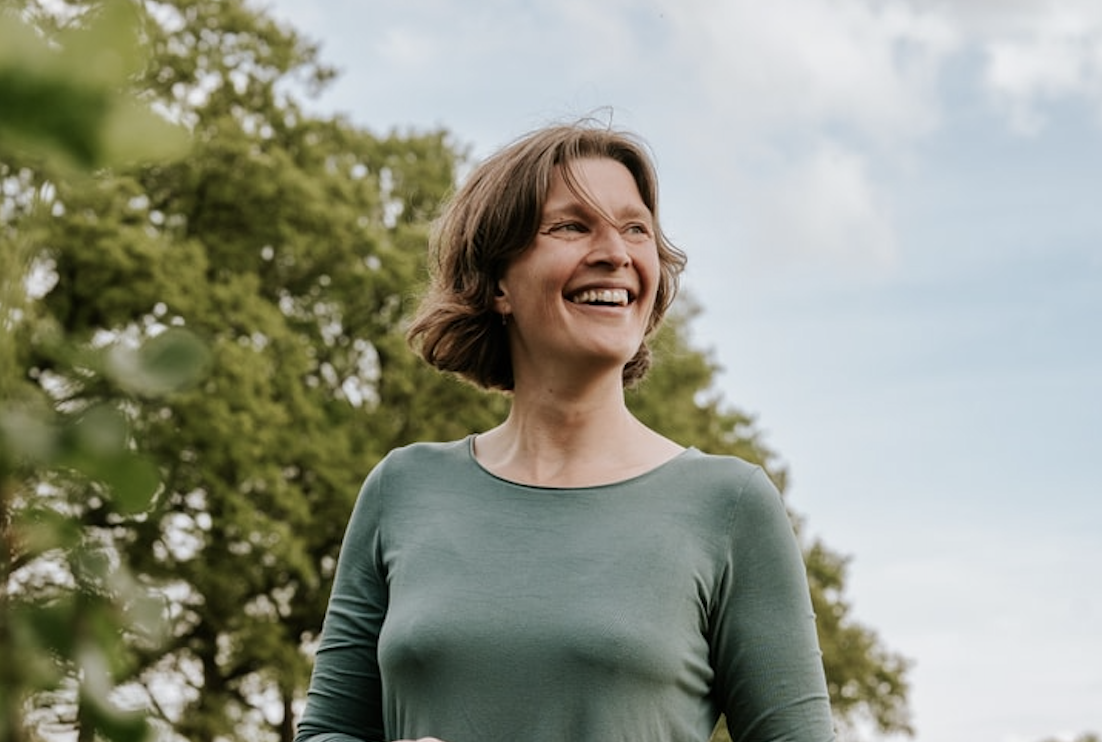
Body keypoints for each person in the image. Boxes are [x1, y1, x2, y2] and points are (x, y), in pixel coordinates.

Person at [293, 121, 835, 742]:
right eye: (572, 226)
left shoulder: (730, 505)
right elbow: (327, 732)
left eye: (636, 229)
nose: (617, 252)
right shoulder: (402, 489)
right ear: (498, 282)